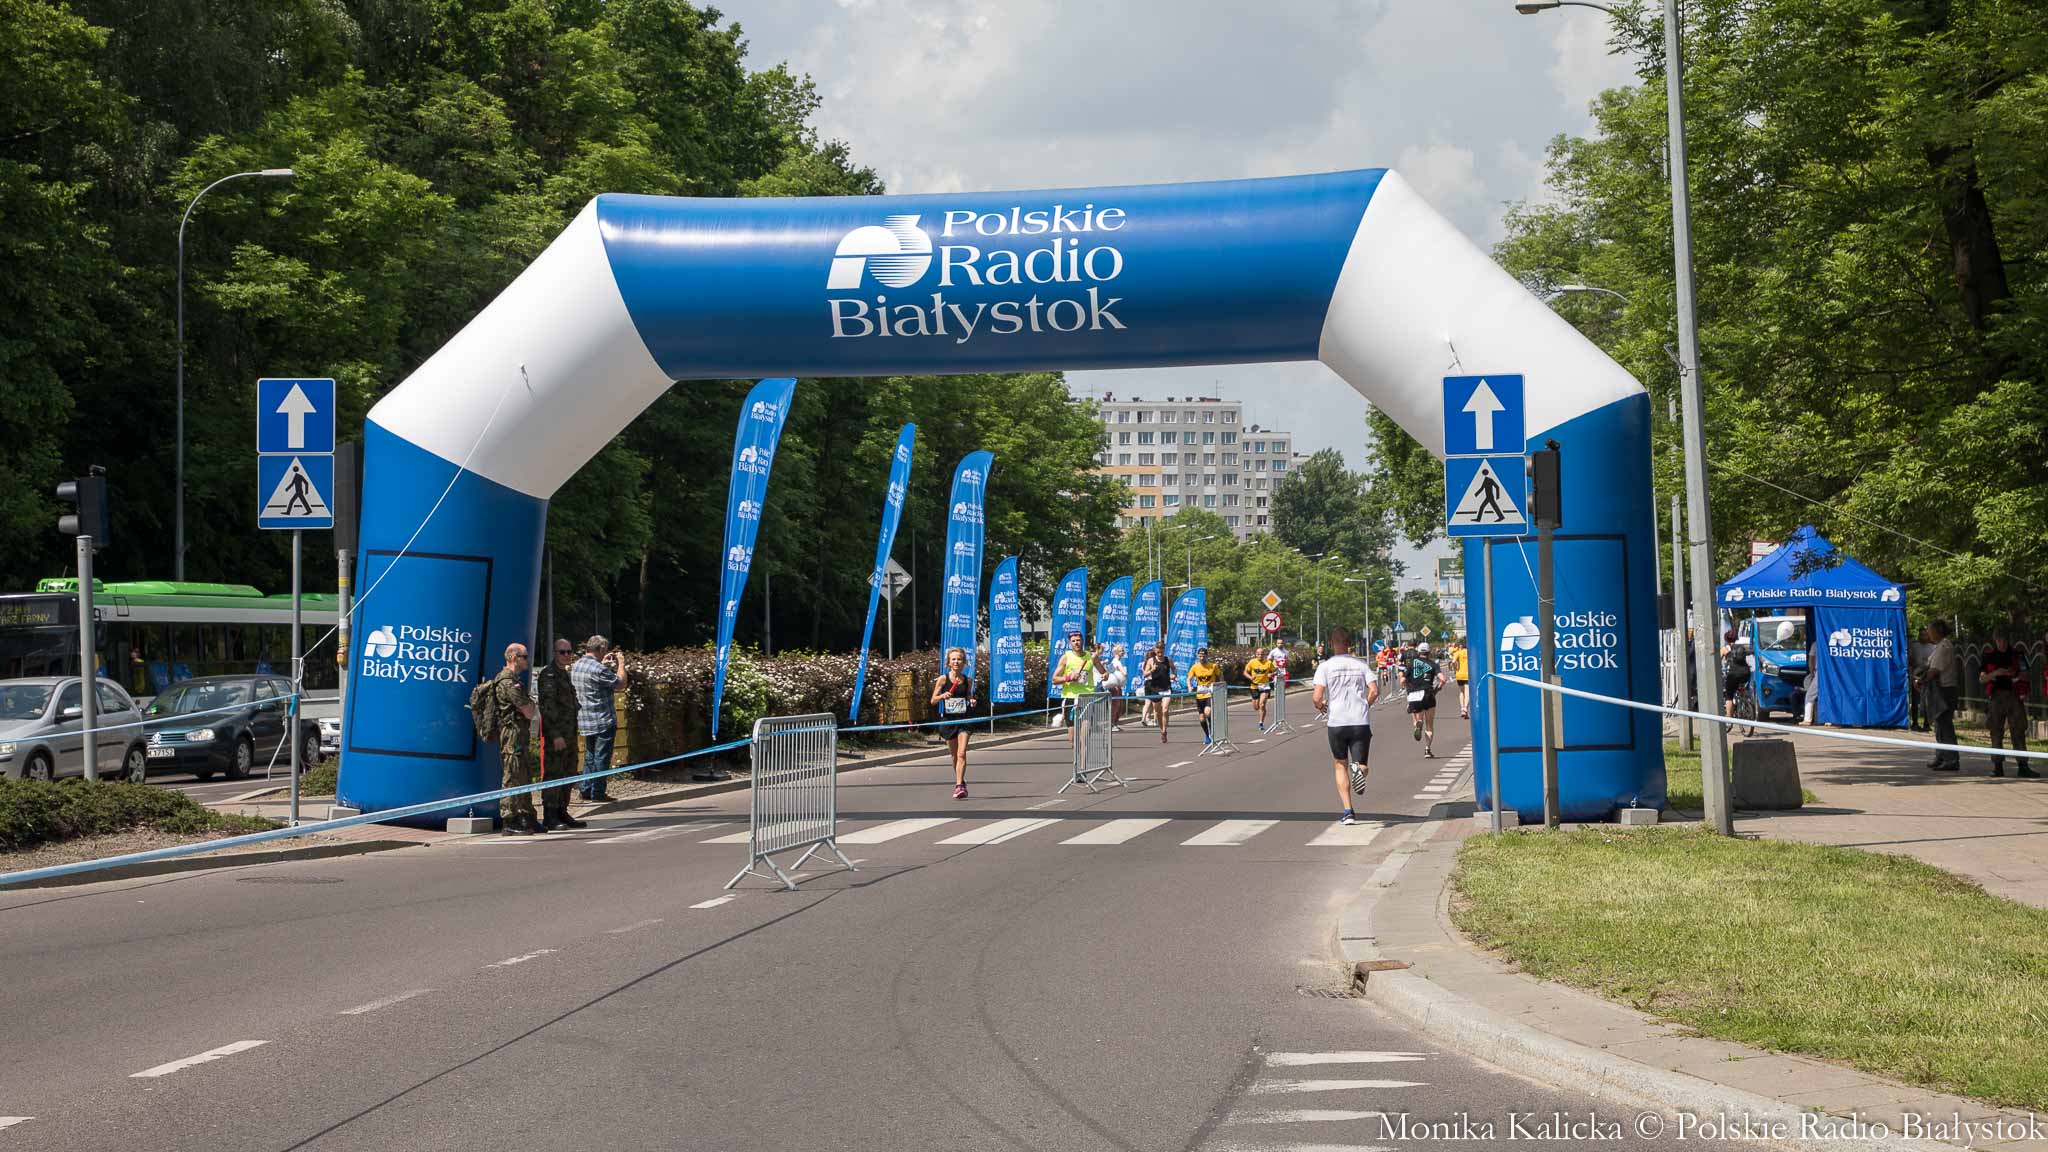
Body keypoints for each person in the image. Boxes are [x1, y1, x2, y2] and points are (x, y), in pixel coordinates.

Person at [1312, 627, 1379, 826]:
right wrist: (1365, 705)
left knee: (1340, 764)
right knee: (1361, 764)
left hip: (1337, 722)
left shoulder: (1325, 666)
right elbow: (1374, 690)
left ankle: (1348, 812)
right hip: (1360, 721)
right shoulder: (1361, 665)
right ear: (1350, 643)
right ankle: (1360, 771)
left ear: (1331, 644)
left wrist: (1321, 706)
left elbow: (1316, 697)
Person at [535, 638, 589, 830]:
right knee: (554, 774)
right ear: (554, 653)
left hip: (569, 733)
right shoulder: (548, 675)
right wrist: (556, 735)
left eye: (569, 651)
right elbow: (547, 708)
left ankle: (562, 811)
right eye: (562, 652)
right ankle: (550, 815)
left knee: (568, 772)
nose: (566, 655)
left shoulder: (564, 674)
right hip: (557, 735)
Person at [491, 643, 543, 836]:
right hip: (511, 735)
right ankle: (509, 820)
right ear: (513, 658)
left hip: (520, 735)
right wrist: (532, 703)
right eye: (524, 657)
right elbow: (529, 712)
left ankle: (526, 816)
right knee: (512, 776)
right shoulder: (507, 682)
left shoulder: (515, 681)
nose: (527, 660)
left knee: (524, 774)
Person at [570, 634, 625, 802]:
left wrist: (603, 663)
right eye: (605, 650)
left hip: (585, 720)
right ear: (601, 649)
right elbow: (620, 684)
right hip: (603, 720)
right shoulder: (599, 669)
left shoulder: (576, 665)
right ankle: (598, 793)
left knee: (590, 756)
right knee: (602, 758)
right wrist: (621, 664)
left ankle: (585, 790)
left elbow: (593, 680)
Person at [1979, 627, 2035, 777]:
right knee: (1996, 731)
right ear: (1994, 640)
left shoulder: (2017, 654)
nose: (2001, 643)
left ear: (2007, 640)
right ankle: (1997, 766)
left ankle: (2023, 766)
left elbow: (2027, 674)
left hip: (2014, 695)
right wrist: (1996, 673)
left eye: (2003, 640)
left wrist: (2015, 674)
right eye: (1998, 640)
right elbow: (1982, 678)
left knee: (2018, 730)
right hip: (1996, 696)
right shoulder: (1989, 656)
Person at [932, 646, 977, 798]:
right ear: (949, 662)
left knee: (962, 753)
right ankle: (961, 780)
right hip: (949, 721)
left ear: (964, 662)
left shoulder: (967, 680)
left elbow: (969, 696)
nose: (956, 662)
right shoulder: (943, 679)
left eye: (959, 659)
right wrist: (942, 696)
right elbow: (933, 700)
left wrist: (972, 700)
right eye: (953, 659)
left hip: (964, 720)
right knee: (954, 757)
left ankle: (959, 787)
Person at [1924, 621, 1961, 771]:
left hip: (1945, 690)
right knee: (1939, 725)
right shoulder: (1938, 646)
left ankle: (1951, 759)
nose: (1928, 633)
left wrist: (1921, 679)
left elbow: (1934, 670)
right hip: (1939, 690)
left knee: (1945, 725)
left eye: (1930, 630)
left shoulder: (1944, 646)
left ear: (1937, 631)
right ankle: (1941, 756)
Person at [1051, 631, 1092, 747]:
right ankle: (1077, 752)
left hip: (1087, 697)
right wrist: (1069, 677)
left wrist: (1105, 675)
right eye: (1073, 641)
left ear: (1082, 641)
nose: (1076, 643)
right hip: (1071, 698)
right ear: (1070, 643)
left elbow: (1103, 672)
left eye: (1078, 640)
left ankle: (1083, 755)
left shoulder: (1091, 657)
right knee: (1072, 737)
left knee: (1085, 735)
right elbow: (1054, 679)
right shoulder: (1066, 657)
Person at [1404, 640, 1445, 757]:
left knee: (1417, 716)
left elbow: (1403, 679)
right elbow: (1443, 679)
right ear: (1429, 652)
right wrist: (1437, 689)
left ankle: (1417, 723)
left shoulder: (1412, 663)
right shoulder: (1433, 664)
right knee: (1430, 724)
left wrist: (1408, 689)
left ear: (1418, 651)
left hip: (1414, 695)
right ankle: (1427, 749)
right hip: (1428, 694)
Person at [1189, 646, 1222, 746]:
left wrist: (1220, 686)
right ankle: (1207, 736)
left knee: (1208, 713)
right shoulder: (1195, 667)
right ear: (1197, 656)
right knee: (1202, 718)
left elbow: (1220, 675)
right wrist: (1189, 686)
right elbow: (1188, 678)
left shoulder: (1213, 666)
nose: (1202, 658)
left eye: (1203, 656)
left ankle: (1213, 733)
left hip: (1209, 694)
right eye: (1200, 656)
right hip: (1200, 695)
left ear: (1207, 656)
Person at [1720, 626, 1752, 731]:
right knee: (1741, 686)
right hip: (1746, 673)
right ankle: (1744, 700)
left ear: (1726, 639)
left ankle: (1729, 721)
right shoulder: (1741, 647)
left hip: (1733, 674)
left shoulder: (1725, 649)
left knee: (1729, 696)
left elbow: (1717, 662)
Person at [1144, 642, 1175, 743]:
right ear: (1155, 650)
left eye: (1161, 649)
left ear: (1164, 649)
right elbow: (1145, 674)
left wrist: (1174, 675)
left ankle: (1165, 730)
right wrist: (1152, 670)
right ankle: (1162, 730)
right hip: (1155, 689)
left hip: (1166, 688)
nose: (1160, 651)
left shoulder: (1168, 660)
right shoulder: (1151, 661)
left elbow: (1174, 669)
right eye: (1158, 650)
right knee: (1158, 712)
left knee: (1165, 710)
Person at [1245, 647, 1277, 731]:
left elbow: (1276, 671)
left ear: (1264, 655)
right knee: (1256, 707)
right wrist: (1250, 677)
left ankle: (1261, 723)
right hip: (1254, 686)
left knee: (1262, 705)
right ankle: (1258, 706)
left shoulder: (1268, 663)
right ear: (1256, 654)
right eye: (1258, 654)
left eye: (1262, 654)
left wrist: (1271, 674)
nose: (1260, 656)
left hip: (1265, 686)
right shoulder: (1252, 662)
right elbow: (1245, 672)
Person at [1103, 643, 1129, 731]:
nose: (1123, 652)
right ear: (1117, 652)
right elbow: (1124, 673)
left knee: (1115, 705)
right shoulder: (1117, 662)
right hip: (1116, 687)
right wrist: (1124, 674)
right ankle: (1112, 723)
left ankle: (1113, 723)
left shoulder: (1112, 662)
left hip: (1113, 686)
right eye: (1121, 651)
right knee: (1116, 706)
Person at [1452, 637, 1471, 719]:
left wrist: (1455, 668)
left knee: (1461, 692)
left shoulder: (1458, 652)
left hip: (1459, 674)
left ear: (1460, 645)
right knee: (1467, 691)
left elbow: (1453, 662)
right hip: (1468, 674)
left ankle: (1462, 708)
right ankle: (1466, 708)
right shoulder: (1470, 652)